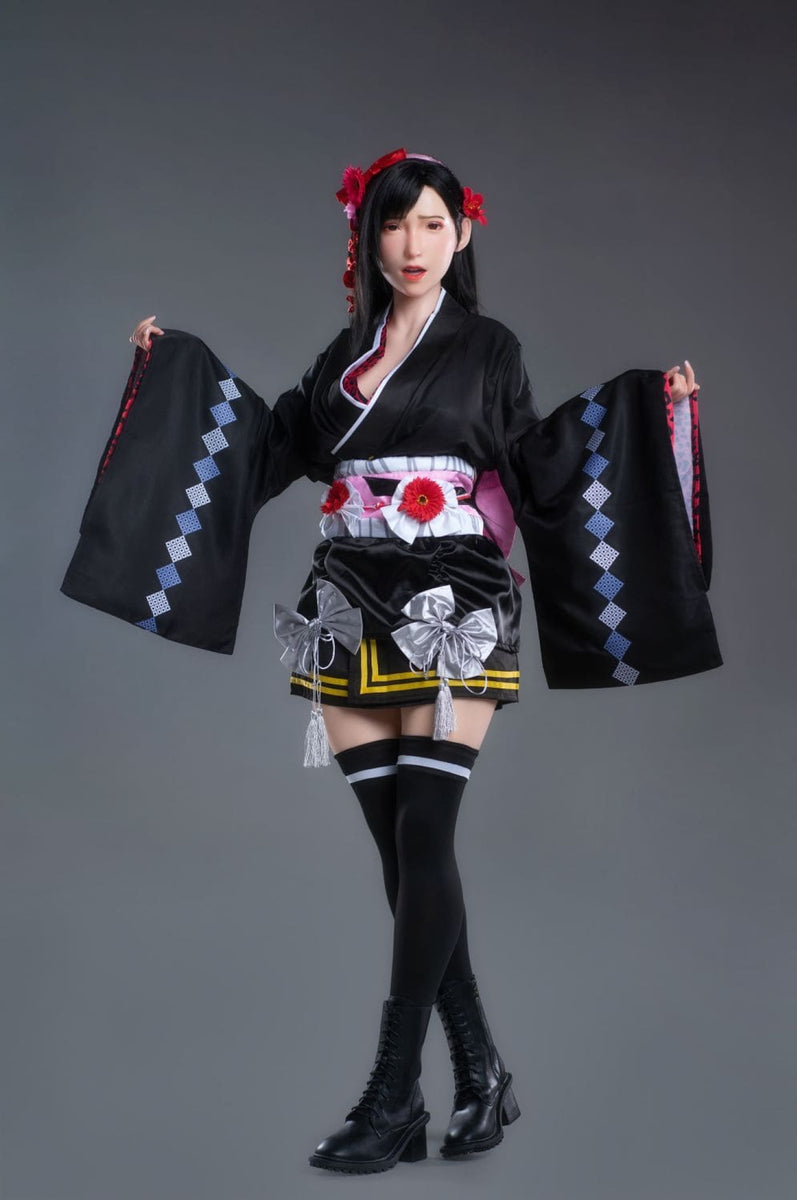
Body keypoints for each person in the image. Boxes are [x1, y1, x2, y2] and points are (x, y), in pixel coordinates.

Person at [62, 148, 721, 1175]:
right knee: (402, 855)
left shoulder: (488, 348)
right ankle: (481, 1070)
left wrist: (655, 408)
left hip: (455, 600)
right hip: (348, 604)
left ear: (462, 233)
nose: (412, 244)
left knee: (424, 834)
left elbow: (542, 462)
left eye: (431, 224)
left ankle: (391, 1093)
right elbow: (263, 450)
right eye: (393, 223)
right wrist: (171, 369)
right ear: (366, 236)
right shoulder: (343, 357)